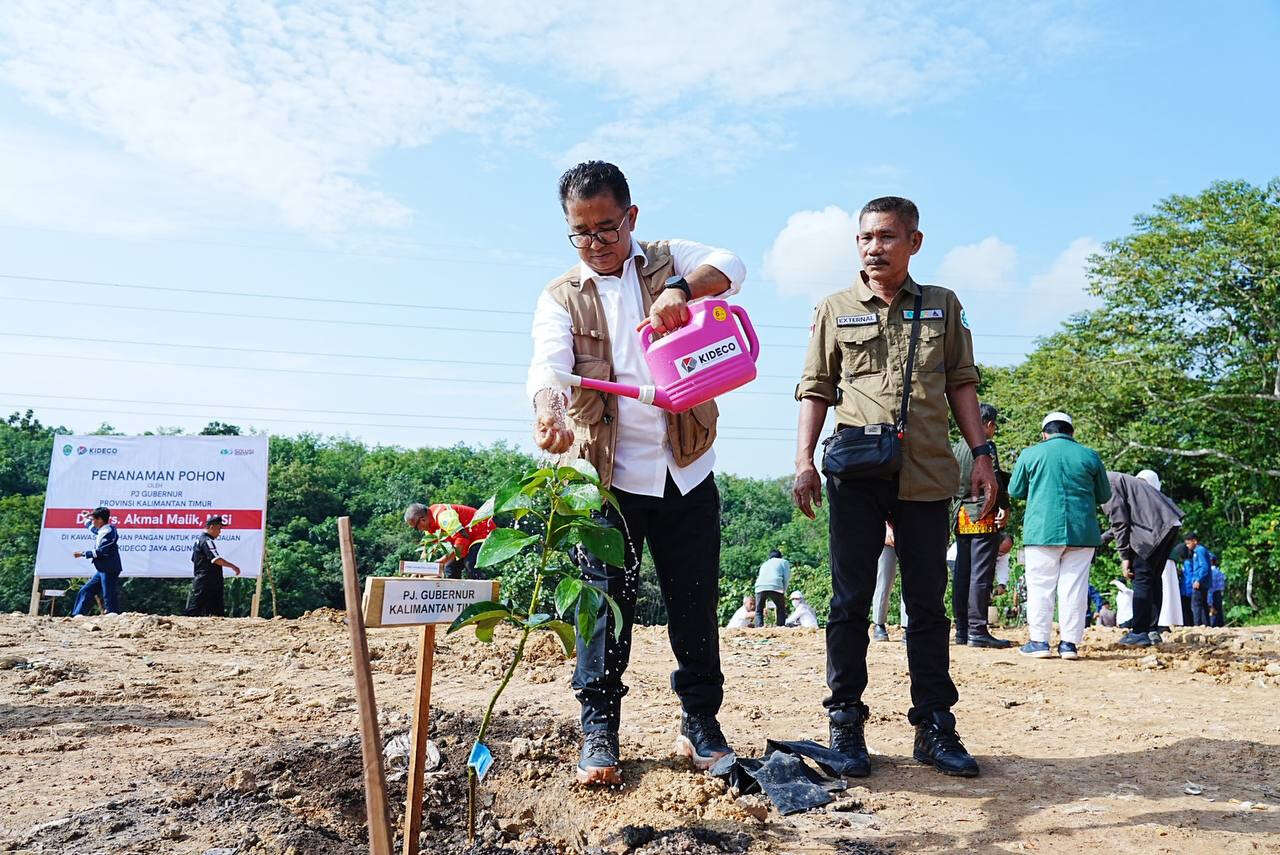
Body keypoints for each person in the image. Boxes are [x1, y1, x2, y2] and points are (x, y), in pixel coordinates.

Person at [526, 161, 746, 786]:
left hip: (686, 468)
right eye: (581, 232)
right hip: (607, 476)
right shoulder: (560, 295)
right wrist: (549, 413)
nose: (596, 243)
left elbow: (735, 264)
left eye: (606, 228)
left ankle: (700, 723)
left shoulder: (666, 257)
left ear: (631, 217)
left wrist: (681, 286)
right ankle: (599, 731)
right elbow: (547, 367)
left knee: (695, 602)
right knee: (602, 605)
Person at [793, 195, 991, 779]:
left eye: (885, 237)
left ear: (914, 242)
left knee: (927, 605)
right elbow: (816, 387)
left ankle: (934, 727)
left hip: (928, 474)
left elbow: (961, 383)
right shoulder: (835, 308)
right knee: (850, 602)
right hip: (855, 473)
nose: (873, 247)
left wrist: (982, 454)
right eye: (864, 238)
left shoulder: (942, 306)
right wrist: (804, 459)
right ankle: (846, 724)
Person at [1008, 412, 1110, 660]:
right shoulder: (1089, 455)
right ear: (1071, 432)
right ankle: (1069, 645)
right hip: (1081, 531)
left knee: (1040, 586)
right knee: (1074, 588)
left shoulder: (1031, 454)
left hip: (1042, 530)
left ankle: (1039, 642)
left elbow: (1015, 490)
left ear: (1044, 433)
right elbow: (1104, 495)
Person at [950, 402, 1012, 649]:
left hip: (959, 513)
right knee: (980, 574)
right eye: (994, 425)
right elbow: (993, 478)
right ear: (988, 425)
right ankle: (978, 629)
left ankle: (962, 630)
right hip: (982, 514)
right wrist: (1004, 507)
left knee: (962, 572)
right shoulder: (985, 447)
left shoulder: (956, 446)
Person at [1100, 470, 1183, 647]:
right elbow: (1123, 522)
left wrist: (1124, 556)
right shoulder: (1118, 479)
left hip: (1153, 528)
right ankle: (1151, 630)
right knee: (1152, 578)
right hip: (1169, 522)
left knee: (1142, 579)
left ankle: (1139, 632)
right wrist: (1100, 539)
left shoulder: (1107, 484)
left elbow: (1120, 522)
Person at [403, 502, 496, 579]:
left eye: (416, 528)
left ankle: (484, 596)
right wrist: (416, 571)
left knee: (470, 563)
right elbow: (427, 550)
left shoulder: (443, 516)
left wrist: (443, 560)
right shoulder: (430, 526)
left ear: (422, 520)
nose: (419, 530)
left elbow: (462, 538)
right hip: (468, 538)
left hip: (484, 532)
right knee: (450, 569)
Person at [71, 507, 123, 616]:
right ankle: (78, 614)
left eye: (93, 519)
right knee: (86, 590)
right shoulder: (102, 530)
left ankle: (112, 613)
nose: (92, 521)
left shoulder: (109, 531)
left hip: (110, 568)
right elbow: (91, 528)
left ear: (100, 520)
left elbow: (101, 552)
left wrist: (83, 554)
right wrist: (85, 518)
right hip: (102, 569)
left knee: (108, 592)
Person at [185, 516, 241, 617]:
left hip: (206, 579)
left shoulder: (199, 540)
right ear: (211, 527)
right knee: (196, 609)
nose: (220, 532)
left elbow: (194, 559)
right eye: (219, 528)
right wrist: (233, 566)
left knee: (215, 610)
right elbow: (216, 559)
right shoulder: (207, 541)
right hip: (207, 580)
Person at [871, 523, 909, 641]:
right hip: (885, 531)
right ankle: (879, 623)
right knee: (884, 578)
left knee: (910, 580)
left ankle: (908, 625)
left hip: (909, 529)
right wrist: (886, 528)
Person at [754, 549, 791, 627]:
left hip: (760, 587)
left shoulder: (764, 564)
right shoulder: (784, 562)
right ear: (780, 556)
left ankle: (758, 627)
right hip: (775, 585)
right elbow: (786, 578)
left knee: (759, 610)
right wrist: (784, 590)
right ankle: (780, 626)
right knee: (781, 608)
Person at [1182, 534, 1213, 626]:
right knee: (1203, 604)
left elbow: (1204, 567)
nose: (1187, 546)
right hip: (1202, 581)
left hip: (1200, 582)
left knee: (1196, 605)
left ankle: (1197, 625)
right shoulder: (1198, 551)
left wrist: (1198, 580)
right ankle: (1205, 624)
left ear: (1194, 541)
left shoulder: (1199, 550)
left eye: (1188, 543)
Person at [1209, 556, 1227, 627]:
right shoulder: (1219, 571)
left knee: (1213, 612)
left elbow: (1210, 587)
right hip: (1219, 593)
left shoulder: (1211, 572)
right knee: (1219, 611)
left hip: (1212, 593)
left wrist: (1209, 602)